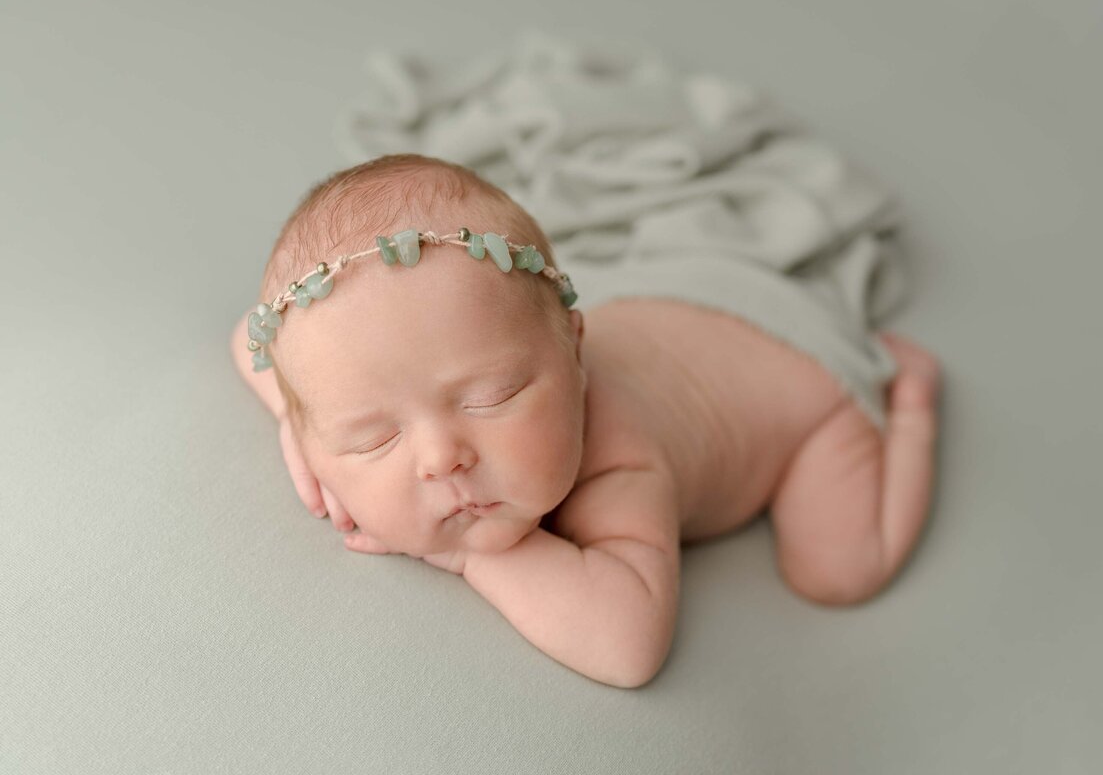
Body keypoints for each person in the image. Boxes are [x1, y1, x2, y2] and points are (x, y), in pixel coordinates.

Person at [230, 153, 942, 689]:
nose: (441, 458)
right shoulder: (366, 370)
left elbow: (628, 647)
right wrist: (306, 434)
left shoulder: (617, 463)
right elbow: (253, 340)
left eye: (492, 397)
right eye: (373, 435)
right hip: (685, 306)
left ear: (575, 351)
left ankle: (910, 407)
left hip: (803, 380)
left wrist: (475, 553)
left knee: (838, 571)